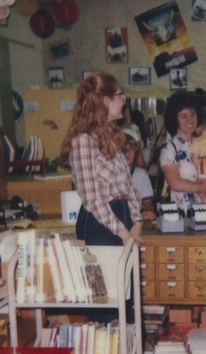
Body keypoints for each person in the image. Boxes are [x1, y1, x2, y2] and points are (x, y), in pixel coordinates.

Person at [60, 72, 144, 247]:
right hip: (99, 226)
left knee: (128, 275)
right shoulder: (84, 141)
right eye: (120, 95)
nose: (124, 100)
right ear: (106, 101)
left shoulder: (112, 137)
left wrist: (137, 223)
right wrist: (123, 233)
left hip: (123, 221)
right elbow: (92, 199)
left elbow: (128, 187)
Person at [159, 91, 206, 213]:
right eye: (183, 116)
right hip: (185, 215)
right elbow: (175, 183)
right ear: (174, 119)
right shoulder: (169, 148)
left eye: (193, 114)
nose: (190, 120)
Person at [123, 129, 156, 221]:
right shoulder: (110, 174)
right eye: (123, 149)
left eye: (131, 149)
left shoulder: (141, 174)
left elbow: (148, 202)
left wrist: (148, 211)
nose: (127, 153)